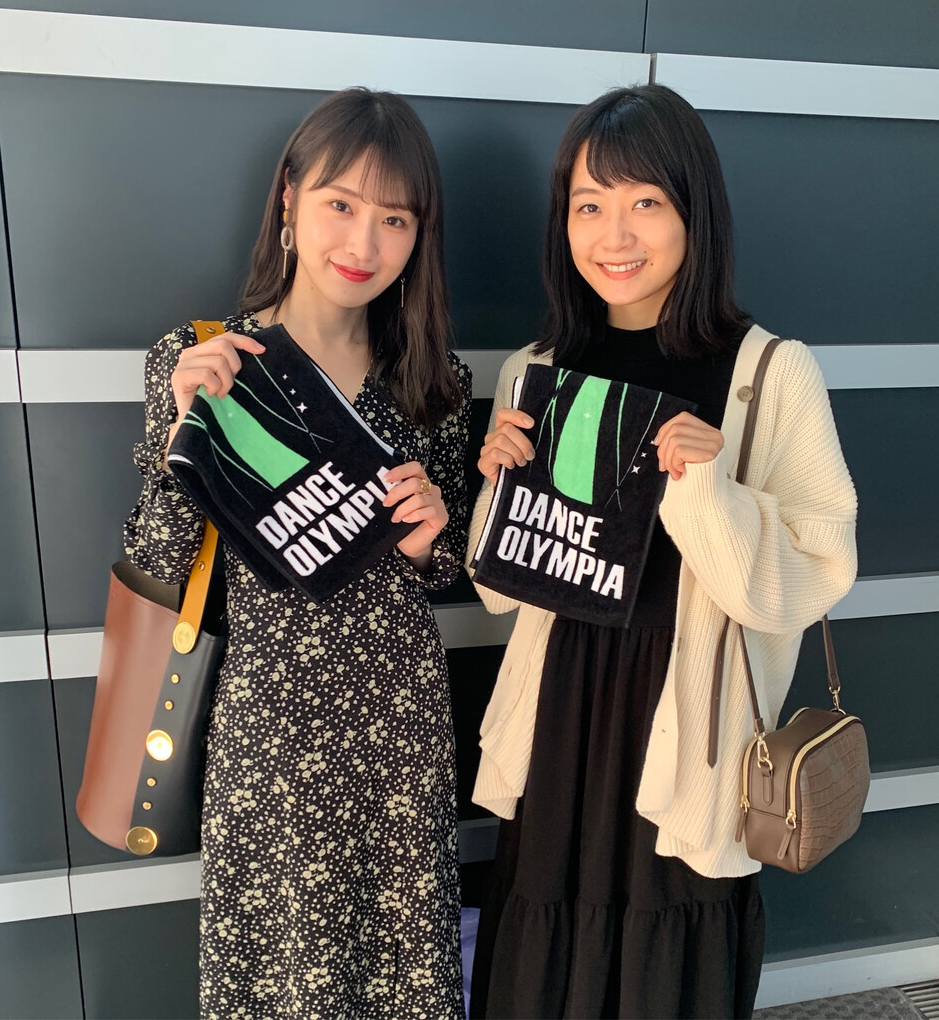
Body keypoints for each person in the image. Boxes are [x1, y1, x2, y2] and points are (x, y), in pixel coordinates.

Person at [466, 84, 857, 1019]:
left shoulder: (769, 373)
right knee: (544, 954)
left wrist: (708, 492)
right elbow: (499, 592)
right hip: (561, 707)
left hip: (690, 726)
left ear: (695, 211)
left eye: (645, 201)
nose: (615, 235)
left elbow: (814, 571)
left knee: (662, 968)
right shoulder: (538, 368)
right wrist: (497, 488)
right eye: (588, 206)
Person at [124, 88, 472, 1020]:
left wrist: (433, 541)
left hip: (399, 724)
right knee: (280, 979)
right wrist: (183, 434)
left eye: (395, 219)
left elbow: (446, 571)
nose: (364, 242)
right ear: (289, 196)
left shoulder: (430, 381)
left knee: (403, 975)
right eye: (340, 204)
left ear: (419, 236)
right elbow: (158, 560)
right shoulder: (202, 357)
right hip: (269, 725)